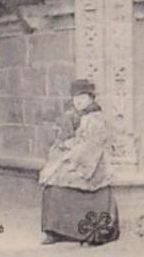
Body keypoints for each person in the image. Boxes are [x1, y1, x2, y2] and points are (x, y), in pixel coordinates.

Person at [39, 79, 120, 247]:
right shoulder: (81, 117)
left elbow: (92, 145)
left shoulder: (97, 119)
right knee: (52, 180)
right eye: (75, 98)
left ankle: (93, 232)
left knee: (61, 178)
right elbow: (77, 140)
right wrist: (65, 146)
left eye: (82, 97)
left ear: (91, 98)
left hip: (94, 164)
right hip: (80, 157)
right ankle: (57, 230)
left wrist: (71, 157)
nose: (78, 101)